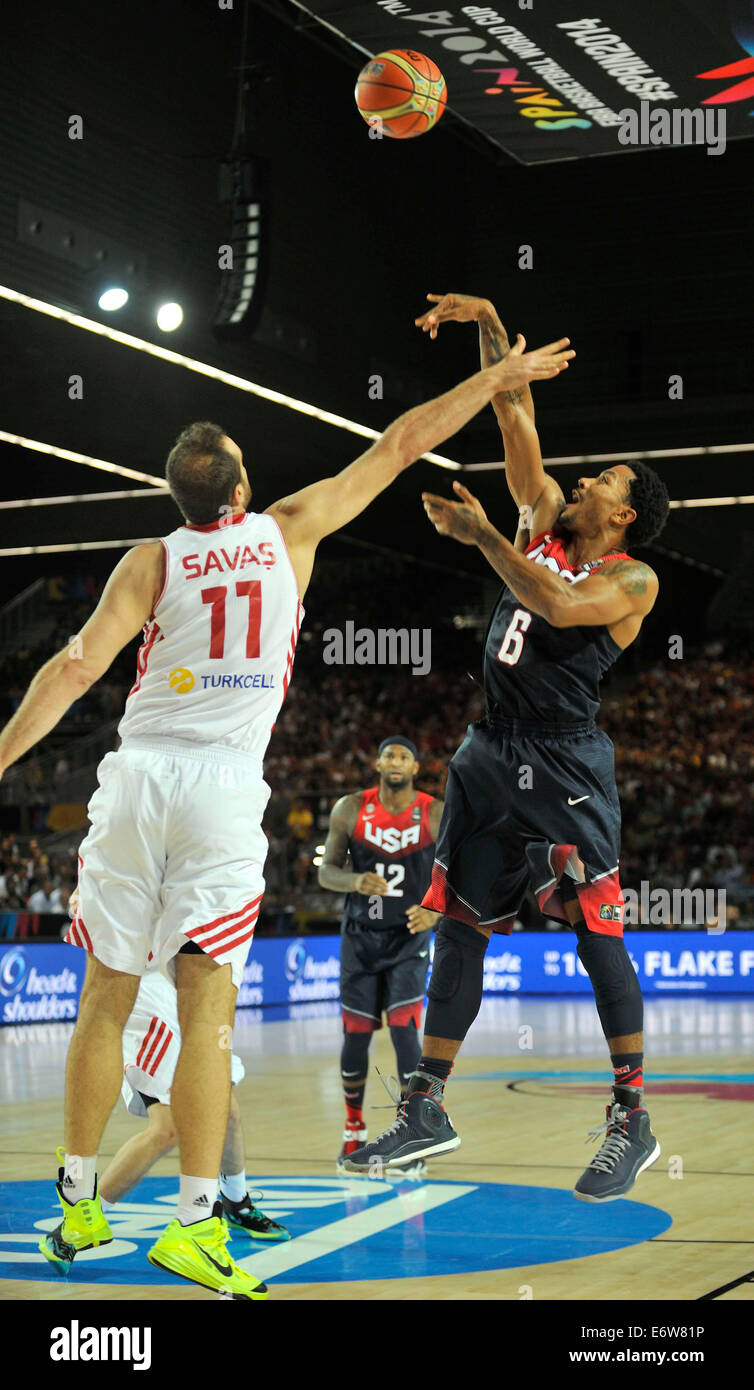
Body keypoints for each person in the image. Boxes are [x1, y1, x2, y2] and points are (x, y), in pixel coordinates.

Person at [0, 329, 574, 1299]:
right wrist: (494, 379)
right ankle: (191, 1223)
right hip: (221, 788)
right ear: (239, 490)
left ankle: (80, 1199)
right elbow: (397, 444)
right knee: (206, 1011)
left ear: (181, 501)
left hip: (137, 776)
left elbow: (71, 668)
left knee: (102, 996)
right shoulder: (286, 529)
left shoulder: (150, 558)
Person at [346, 293, 670, 1202]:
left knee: (596, 934)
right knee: (460, 929)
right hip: (490, 751)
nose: (587, 483)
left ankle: (631, 1116)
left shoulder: (629, 578)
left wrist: (484, 535)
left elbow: (559, 607)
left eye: (606, 480)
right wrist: (490, 323)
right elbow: (511, 408)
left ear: (626, 516)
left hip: (565, 760)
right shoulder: (543, 515)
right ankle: (426, 1107)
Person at [54, 891, 289, 1259]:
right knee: (168, 1129)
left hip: (180, 989)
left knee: (226, 1110)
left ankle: (236, 1203)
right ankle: (73, 1226)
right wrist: (84, 893)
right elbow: (92, 893)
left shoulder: (196, 857)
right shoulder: (135, 848)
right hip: (141, 998)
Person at [318, 736, 443, 1169]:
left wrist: (436, 913)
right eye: (388, 753)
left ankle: (410, 1132)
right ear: (376, 763)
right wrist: (353, 882)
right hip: (360, 938)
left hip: (408, 939)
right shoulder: (349, 808)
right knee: (355, 1034)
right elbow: (327, 871)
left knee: (405, 1031)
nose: (395, 761)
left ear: (415, 768)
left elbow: (459, 872)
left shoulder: (435, 812)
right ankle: (354, 1129)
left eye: (404, 756)